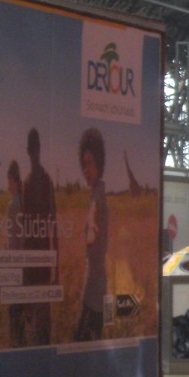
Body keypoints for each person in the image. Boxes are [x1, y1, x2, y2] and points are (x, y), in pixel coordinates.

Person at [21, 128, 58, 346]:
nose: (35, 153)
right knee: (33, 327)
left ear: (39, 150)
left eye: (37, 149)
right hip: (32, 266)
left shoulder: (46, 181)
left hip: (43, 266)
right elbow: (25, 229)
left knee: (44, 328)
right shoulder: (27, 184)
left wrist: (57, 270)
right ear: (29, 151)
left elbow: (55, 228)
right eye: (32, 149)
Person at [75, 128, 108, 342]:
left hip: (95, 295)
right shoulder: (95, 194)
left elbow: (94, 224)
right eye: (84, 164)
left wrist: (91, 231)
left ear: (99, 163)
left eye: (91, 163)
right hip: (93, 291)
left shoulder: (97, 198)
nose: (86, 170)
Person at [6, 160, 25, 347]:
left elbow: (12, 240)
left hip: (14, 263)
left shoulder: (12, 204)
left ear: (12, 179)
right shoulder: (23, 202)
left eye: (8, 180)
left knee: (13, 309)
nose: (7, 185)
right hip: (24, 262)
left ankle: (16, 343)